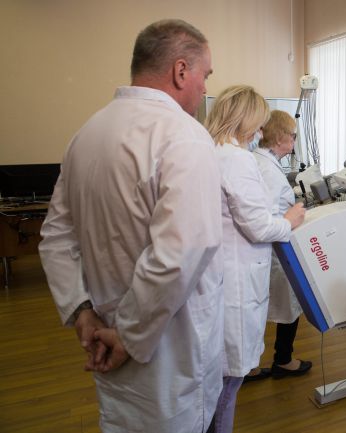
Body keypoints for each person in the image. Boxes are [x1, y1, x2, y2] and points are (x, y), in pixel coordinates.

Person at [39, 19, 224, 433]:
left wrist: (82, 312)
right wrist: (128, 336)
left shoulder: (87, 133)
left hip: (103, 336)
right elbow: (180, 253)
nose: (204, 88)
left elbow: (55, 238)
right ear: (181, 71)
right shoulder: (185, 136)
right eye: (205, 75)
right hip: (167, 355)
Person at [205, 87, 305, 433]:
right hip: (237, 280)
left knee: (216, 383)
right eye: (259, 125)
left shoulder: (212, 151)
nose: (261, 133)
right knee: (228, 384)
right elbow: (259, 225)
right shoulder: (237, 159)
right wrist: (290, 220)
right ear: (247, 120)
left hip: (221, 275)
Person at [244, 110, 312, 383]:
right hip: (274, 251)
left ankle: (251, 365)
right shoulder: (268, 171)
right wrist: (293, 213)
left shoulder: (261, 161)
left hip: (267, 252)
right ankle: (283, 360)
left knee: (268, 308)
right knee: (287, 304)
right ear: (281, 137)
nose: (294, 141)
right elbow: (269, 217)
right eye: (293, 136)